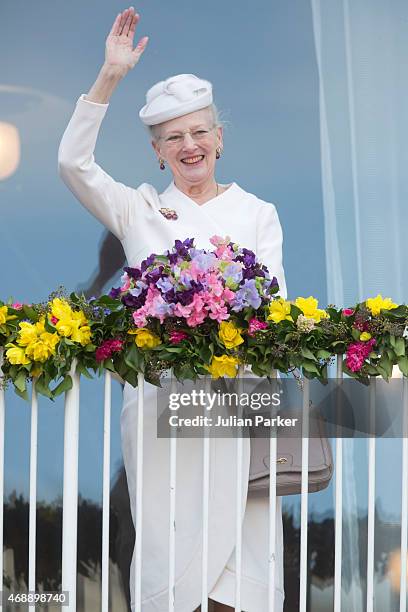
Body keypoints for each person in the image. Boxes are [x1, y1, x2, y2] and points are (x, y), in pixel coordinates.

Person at [58, 7, 287, 611]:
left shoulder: (257, 213)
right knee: (171, 570)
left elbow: (277, 310)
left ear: (220, 138)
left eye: (199, 132)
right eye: (173, 137)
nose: (190, 145)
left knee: (239, 576)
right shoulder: (138, 211)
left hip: (238, 412)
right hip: (164, 414)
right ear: (157, 151)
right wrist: (109, 76)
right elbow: (73, 165)